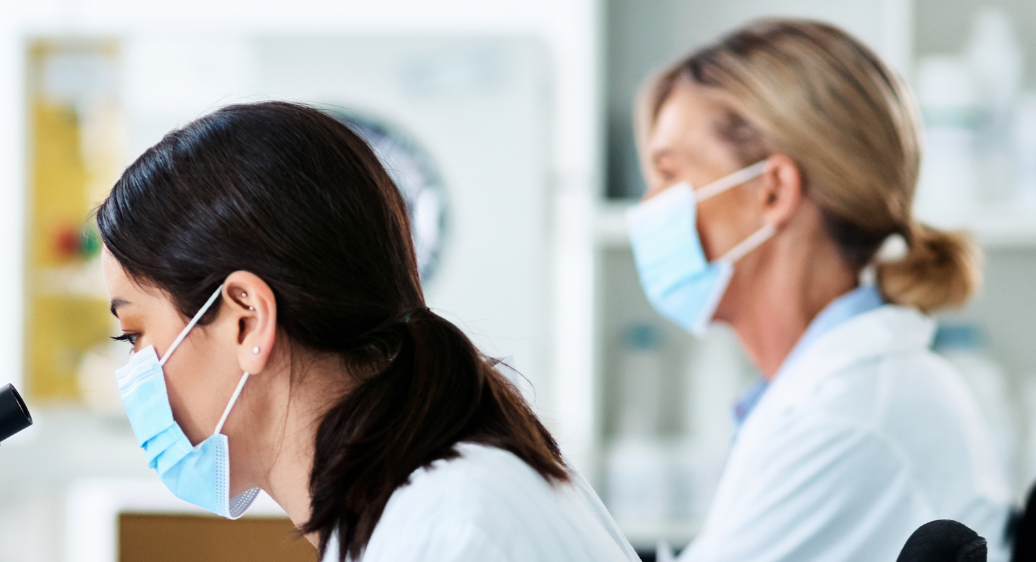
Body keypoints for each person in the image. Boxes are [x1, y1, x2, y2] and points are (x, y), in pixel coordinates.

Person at [97, 102, 644, 562]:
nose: (134, 376)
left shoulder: (445, 531)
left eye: (135, 336)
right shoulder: (431, 500)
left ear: (248, 320)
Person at [625, 19, 1010, 561]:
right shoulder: (842, 394)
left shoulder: (845, 424)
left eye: (668, 175)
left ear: (773, 191)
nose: (647, 209)